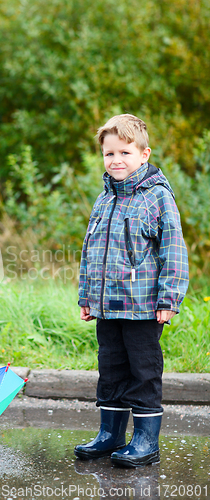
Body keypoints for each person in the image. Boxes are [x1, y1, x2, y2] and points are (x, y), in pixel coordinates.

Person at [74, 114, 189, 467]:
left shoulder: (157, 197)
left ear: (144, 154)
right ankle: (110, 435)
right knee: (110, 369)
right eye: (109, 154)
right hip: (107, 307)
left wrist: (169, 299)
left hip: (142, 308)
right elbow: (91, 251)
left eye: (124, 152)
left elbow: (173, 250)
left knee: (143, 371)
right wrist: (87, 296)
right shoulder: (103, 200)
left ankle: (145, 441)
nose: (116, 161)